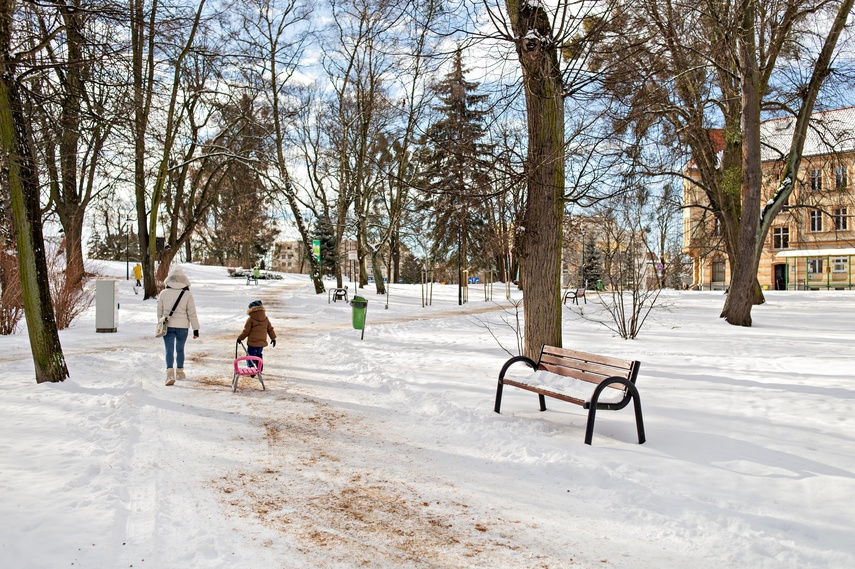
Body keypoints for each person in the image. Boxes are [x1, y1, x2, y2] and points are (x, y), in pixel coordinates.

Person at [157, 266, 200, 386]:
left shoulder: (163, 293)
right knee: (180, 350)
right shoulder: (187, 294)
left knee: (168, 350)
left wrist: (161, 323)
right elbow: (192, 313)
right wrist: (195, 329)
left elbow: (159, 312)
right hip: (183, 327)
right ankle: (180, 372)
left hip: (168, 325)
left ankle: (169, 373)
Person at [237, 300, 276, 372]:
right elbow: (270, 329)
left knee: (250, 356)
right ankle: (259, 368)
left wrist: (240, 338)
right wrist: (273, 338)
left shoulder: (250, 319)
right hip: (261, 342)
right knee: (259, 354)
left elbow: (246, 331)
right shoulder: (265, 319)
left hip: (252, 342)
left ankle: (251, 369)